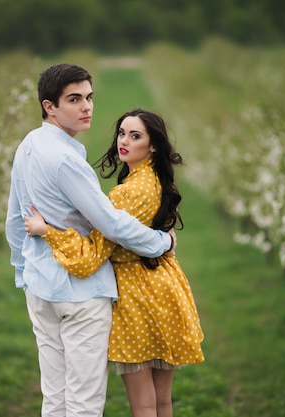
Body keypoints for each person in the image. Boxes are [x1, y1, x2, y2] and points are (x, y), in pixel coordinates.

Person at [4, 65, 175, 417]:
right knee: (83, 403)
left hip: (40, 286)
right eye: (74, 99)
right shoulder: (66, 159)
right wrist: (162, 243)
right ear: (49, 106)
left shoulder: (28, 146)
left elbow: (15, 218)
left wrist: (23, 272)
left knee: (55, 397)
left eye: (89, 97)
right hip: (81, 292)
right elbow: (112, 224)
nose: (87, 107)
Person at [24, 108, 205, 417]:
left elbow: (90, 258)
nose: (124, 141)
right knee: (163, 400)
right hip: (167, 286)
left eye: (135, 136)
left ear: (153, 146)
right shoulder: (159, 181)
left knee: (144, 404)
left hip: (137, 297)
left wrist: (48, 232)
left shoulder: (125, 194)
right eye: (122, 133)